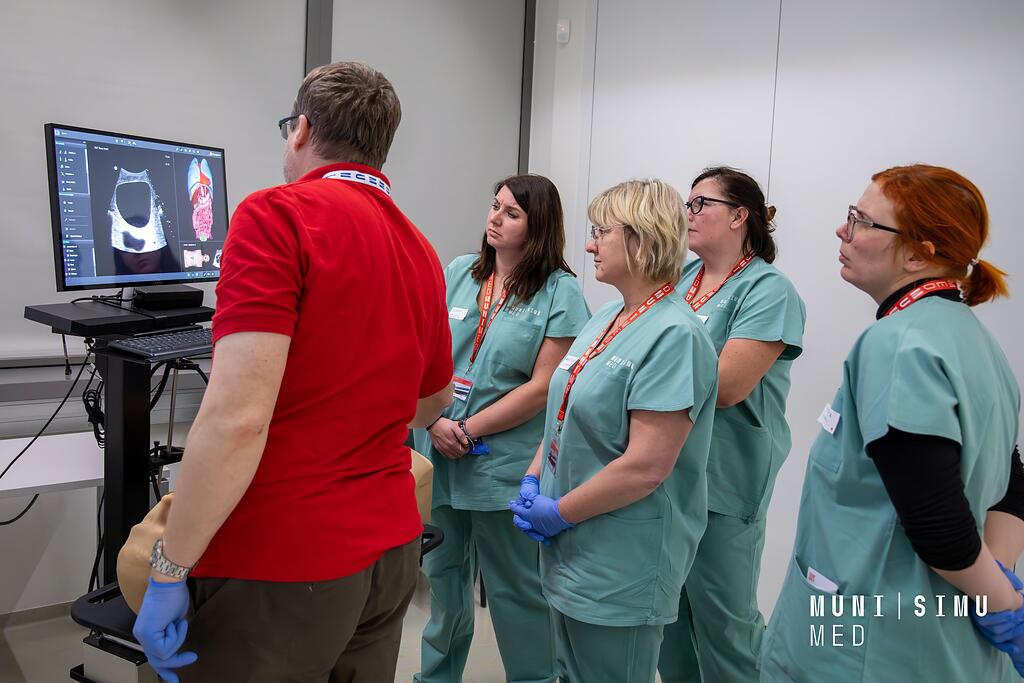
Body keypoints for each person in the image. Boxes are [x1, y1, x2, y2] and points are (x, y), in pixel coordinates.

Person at [131, 61, 454, 683]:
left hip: (283, 564)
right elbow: (431, 400)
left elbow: (237, 420)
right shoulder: (420, 247)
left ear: (301, 129)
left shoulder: (275, 215)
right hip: (389, 555)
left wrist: (170, 569)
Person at [759, 165, 1023, 682]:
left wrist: (1002, 603)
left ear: (918, 254)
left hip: (869, 643)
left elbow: (936, 521)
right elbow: (1010, 479)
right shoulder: (976, 342)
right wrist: (998, 585)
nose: (843, 229)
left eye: (861, 220)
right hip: (940, 640)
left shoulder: (898, 345)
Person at [511, 178, 719, 683]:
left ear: (642, 238)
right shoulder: (606, 316)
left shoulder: (675, 336)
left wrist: (559, 512)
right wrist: (535, 477)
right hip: (572, 547)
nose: (589, 246)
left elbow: (646, 466)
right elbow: (562, 410)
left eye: (601, 232)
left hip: (620, 562)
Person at [413, 174, 590, 683]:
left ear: (539, 226)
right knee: (443, 583)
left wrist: (466, 428)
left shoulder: (560, 292)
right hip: (438, 451)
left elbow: (543, 386)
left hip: (501, 465)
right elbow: (423, 353)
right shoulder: (460, 273)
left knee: (516, 593)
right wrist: (436, 421)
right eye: (495, 206)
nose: (495, 218)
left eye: (512, 213)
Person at [658, 167, 805, 683]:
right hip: (666, 471)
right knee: (668, 622)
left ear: (740, 216)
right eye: (688, 203)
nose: (689, 214)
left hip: (725, 479)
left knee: (724, 625)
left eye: (701, 203)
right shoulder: (680, 279)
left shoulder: (767, 290)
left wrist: (641, 379)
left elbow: (726, 386)